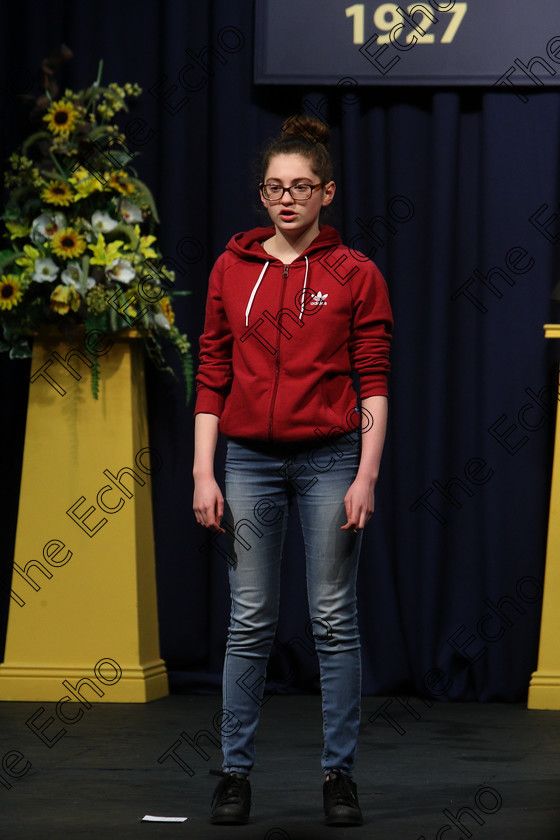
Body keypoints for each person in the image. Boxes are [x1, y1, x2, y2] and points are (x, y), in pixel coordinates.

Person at [192, 115, 393, 827]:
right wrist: (203, 472)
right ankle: (234, 774)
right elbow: (212, 369)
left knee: (334, 619)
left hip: (331, 459)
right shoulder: (230, 268)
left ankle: (339, 776)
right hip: (247, 460)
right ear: (262, 194)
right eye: (274, 187)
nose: (286, 199)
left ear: (326, 193)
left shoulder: (355, 274)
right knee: (249, 621)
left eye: (301, 187)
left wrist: (366, 474)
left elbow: (372, 379)